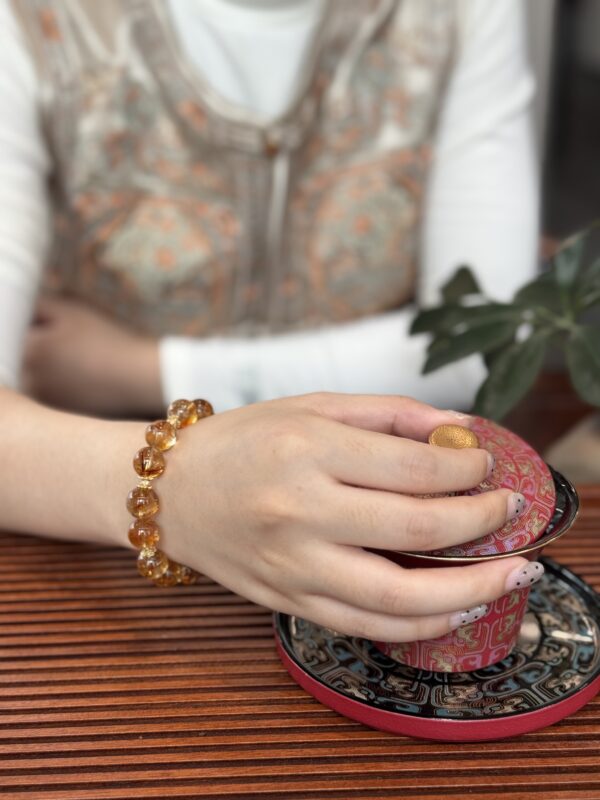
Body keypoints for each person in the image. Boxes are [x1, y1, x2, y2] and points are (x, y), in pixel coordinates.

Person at [0, 0, 543, 642]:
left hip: (384, 534)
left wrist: (141, 368)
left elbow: (486, 338)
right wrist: (170, 488)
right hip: (91, 572)